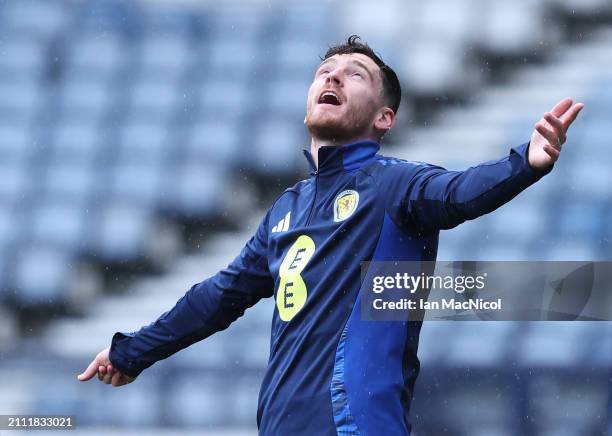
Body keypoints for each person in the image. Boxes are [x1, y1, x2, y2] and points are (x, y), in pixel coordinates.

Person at [78, 35, 584, 435]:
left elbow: (457, 193)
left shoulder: (393, 185)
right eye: (325, 72)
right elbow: (217, 297)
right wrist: (132, 351)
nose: (333, 76)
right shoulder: (286, 210)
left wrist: (527, 163)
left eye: (354, 74)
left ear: (385, 117)